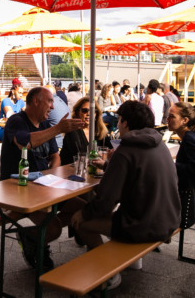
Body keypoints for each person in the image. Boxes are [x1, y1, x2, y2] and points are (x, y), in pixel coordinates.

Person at [72, 101, 181, 289]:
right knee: (110, 214)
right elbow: (138, 173)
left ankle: (108, 273)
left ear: (126, 123)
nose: (118, 124)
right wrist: (108, 166)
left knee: (81, 221)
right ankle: (133, 261)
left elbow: (106, 201)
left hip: (143, 226)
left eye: (119, 119)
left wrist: (82, 213)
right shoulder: (158, 143)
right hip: (169, 219)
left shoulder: (126, 149)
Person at [1, 87, 87, 269]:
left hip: (43, 185)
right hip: (18, 188)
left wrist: (50, 177)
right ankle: (35, 240)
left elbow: (55, 156)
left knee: (84, 209)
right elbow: (24, 143)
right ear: (35, 101)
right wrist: (58, 129)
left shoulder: (46, 125)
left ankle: (34, 235)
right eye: (49, 101)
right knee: (54, 228)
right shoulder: (17, 121)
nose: (52, 106)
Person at [167, 102, 195, 221]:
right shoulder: (192, 136)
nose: (167, 119)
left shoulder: (189, 138)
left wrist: (170, 166)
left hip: (190, 207)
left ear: (184, 120)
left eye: (172, 116)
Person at [60, 97, 112, 165]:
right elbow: (80, 156)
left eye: (92, 110)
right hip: (72, 171)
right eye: (85, 110)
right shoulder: (72, 131)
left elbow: (110, 150)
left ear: (96, 113)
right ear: (77, 112)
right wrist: (101, 156)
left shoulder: (100, 131)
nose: (89, 113)